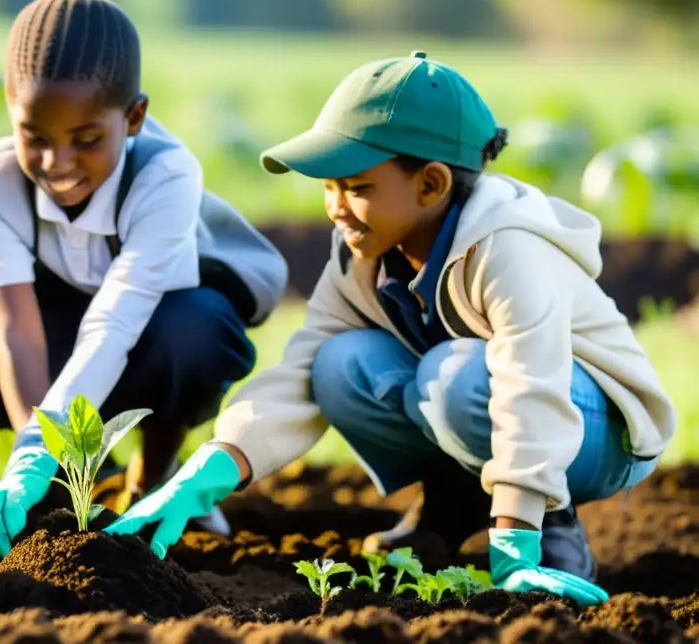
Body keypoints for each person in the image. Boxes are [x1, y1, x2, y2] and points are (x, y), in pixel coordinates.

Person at [105, 50, 677, 606]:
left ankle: (550, 530)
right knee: (340, 366)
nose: (335, 207)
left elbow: (533, 386)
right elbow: (300, 375)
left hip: (598, 429)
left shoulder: (508, 249)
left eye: (356, 188)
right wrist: (204, 474)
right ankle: (452, 506)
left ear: (430, 185)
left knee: (455, 376)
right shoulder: (365, 256)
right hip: (494, 402)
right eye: (327, 188)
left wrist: (513, 547)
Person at [0, 0, 289, 558]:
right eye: (35, 137)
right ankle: (62, 487)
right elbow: (14, 329)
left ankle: (154, 474)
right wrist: (37, 459)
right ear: (11, 113)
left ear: (134, 118)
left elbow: (115, 323)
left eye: (87, 140)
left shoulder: (165, 177)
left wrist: (46, 441)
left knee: (196, 332)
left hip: (149, 323)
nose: (58, 163)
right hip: (53, 329)